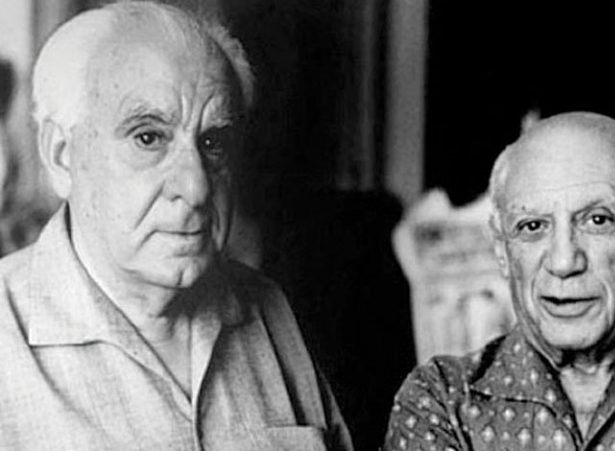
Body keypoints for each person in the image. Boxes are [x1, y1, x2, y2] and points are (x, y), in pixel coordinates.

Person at [0, 2, 352, 449]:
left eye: (213, 142)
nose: (196, 187)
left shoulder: (268, 308)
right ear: (61, 156)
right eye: (148, 137)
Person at [384, 112, 615, 450]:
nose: (564, 262)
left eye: (598, 220)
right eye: (532, 226)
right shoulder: (442, 402)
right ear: (501, 248)